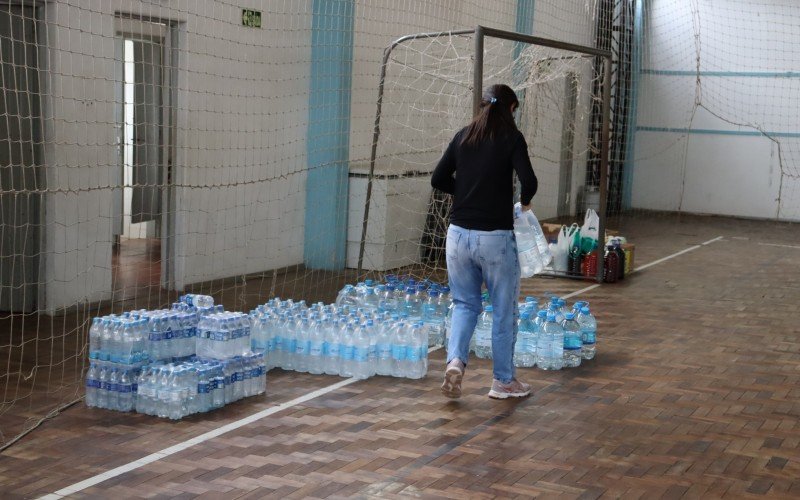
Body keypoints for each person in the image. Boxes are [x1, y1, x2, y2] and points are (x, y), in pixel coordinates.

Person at [431, 84, 538, 400]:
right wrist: (526, 202)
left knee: (464, 304)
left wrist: (465, 192)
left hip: (458, 236)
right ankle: (503, 381)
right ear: (510, 108)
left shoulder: (463, 135)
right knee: (504, 310)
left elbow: (438, 179)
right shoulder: (511, 138)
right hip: (494, 239)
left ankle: (454, 362)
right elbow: (529, 181)